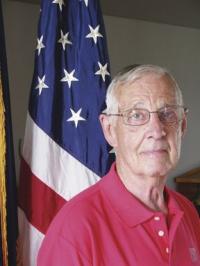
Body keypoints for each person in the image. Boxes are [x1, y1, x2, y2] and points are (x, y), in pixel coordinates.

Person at [37, 64, 200, 265]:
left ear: (182, 126)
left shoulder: (188, 212)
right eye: (136, 115)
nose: (157, 130)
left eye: (167, 114)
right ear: (110, 130)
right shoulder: (74, 230)